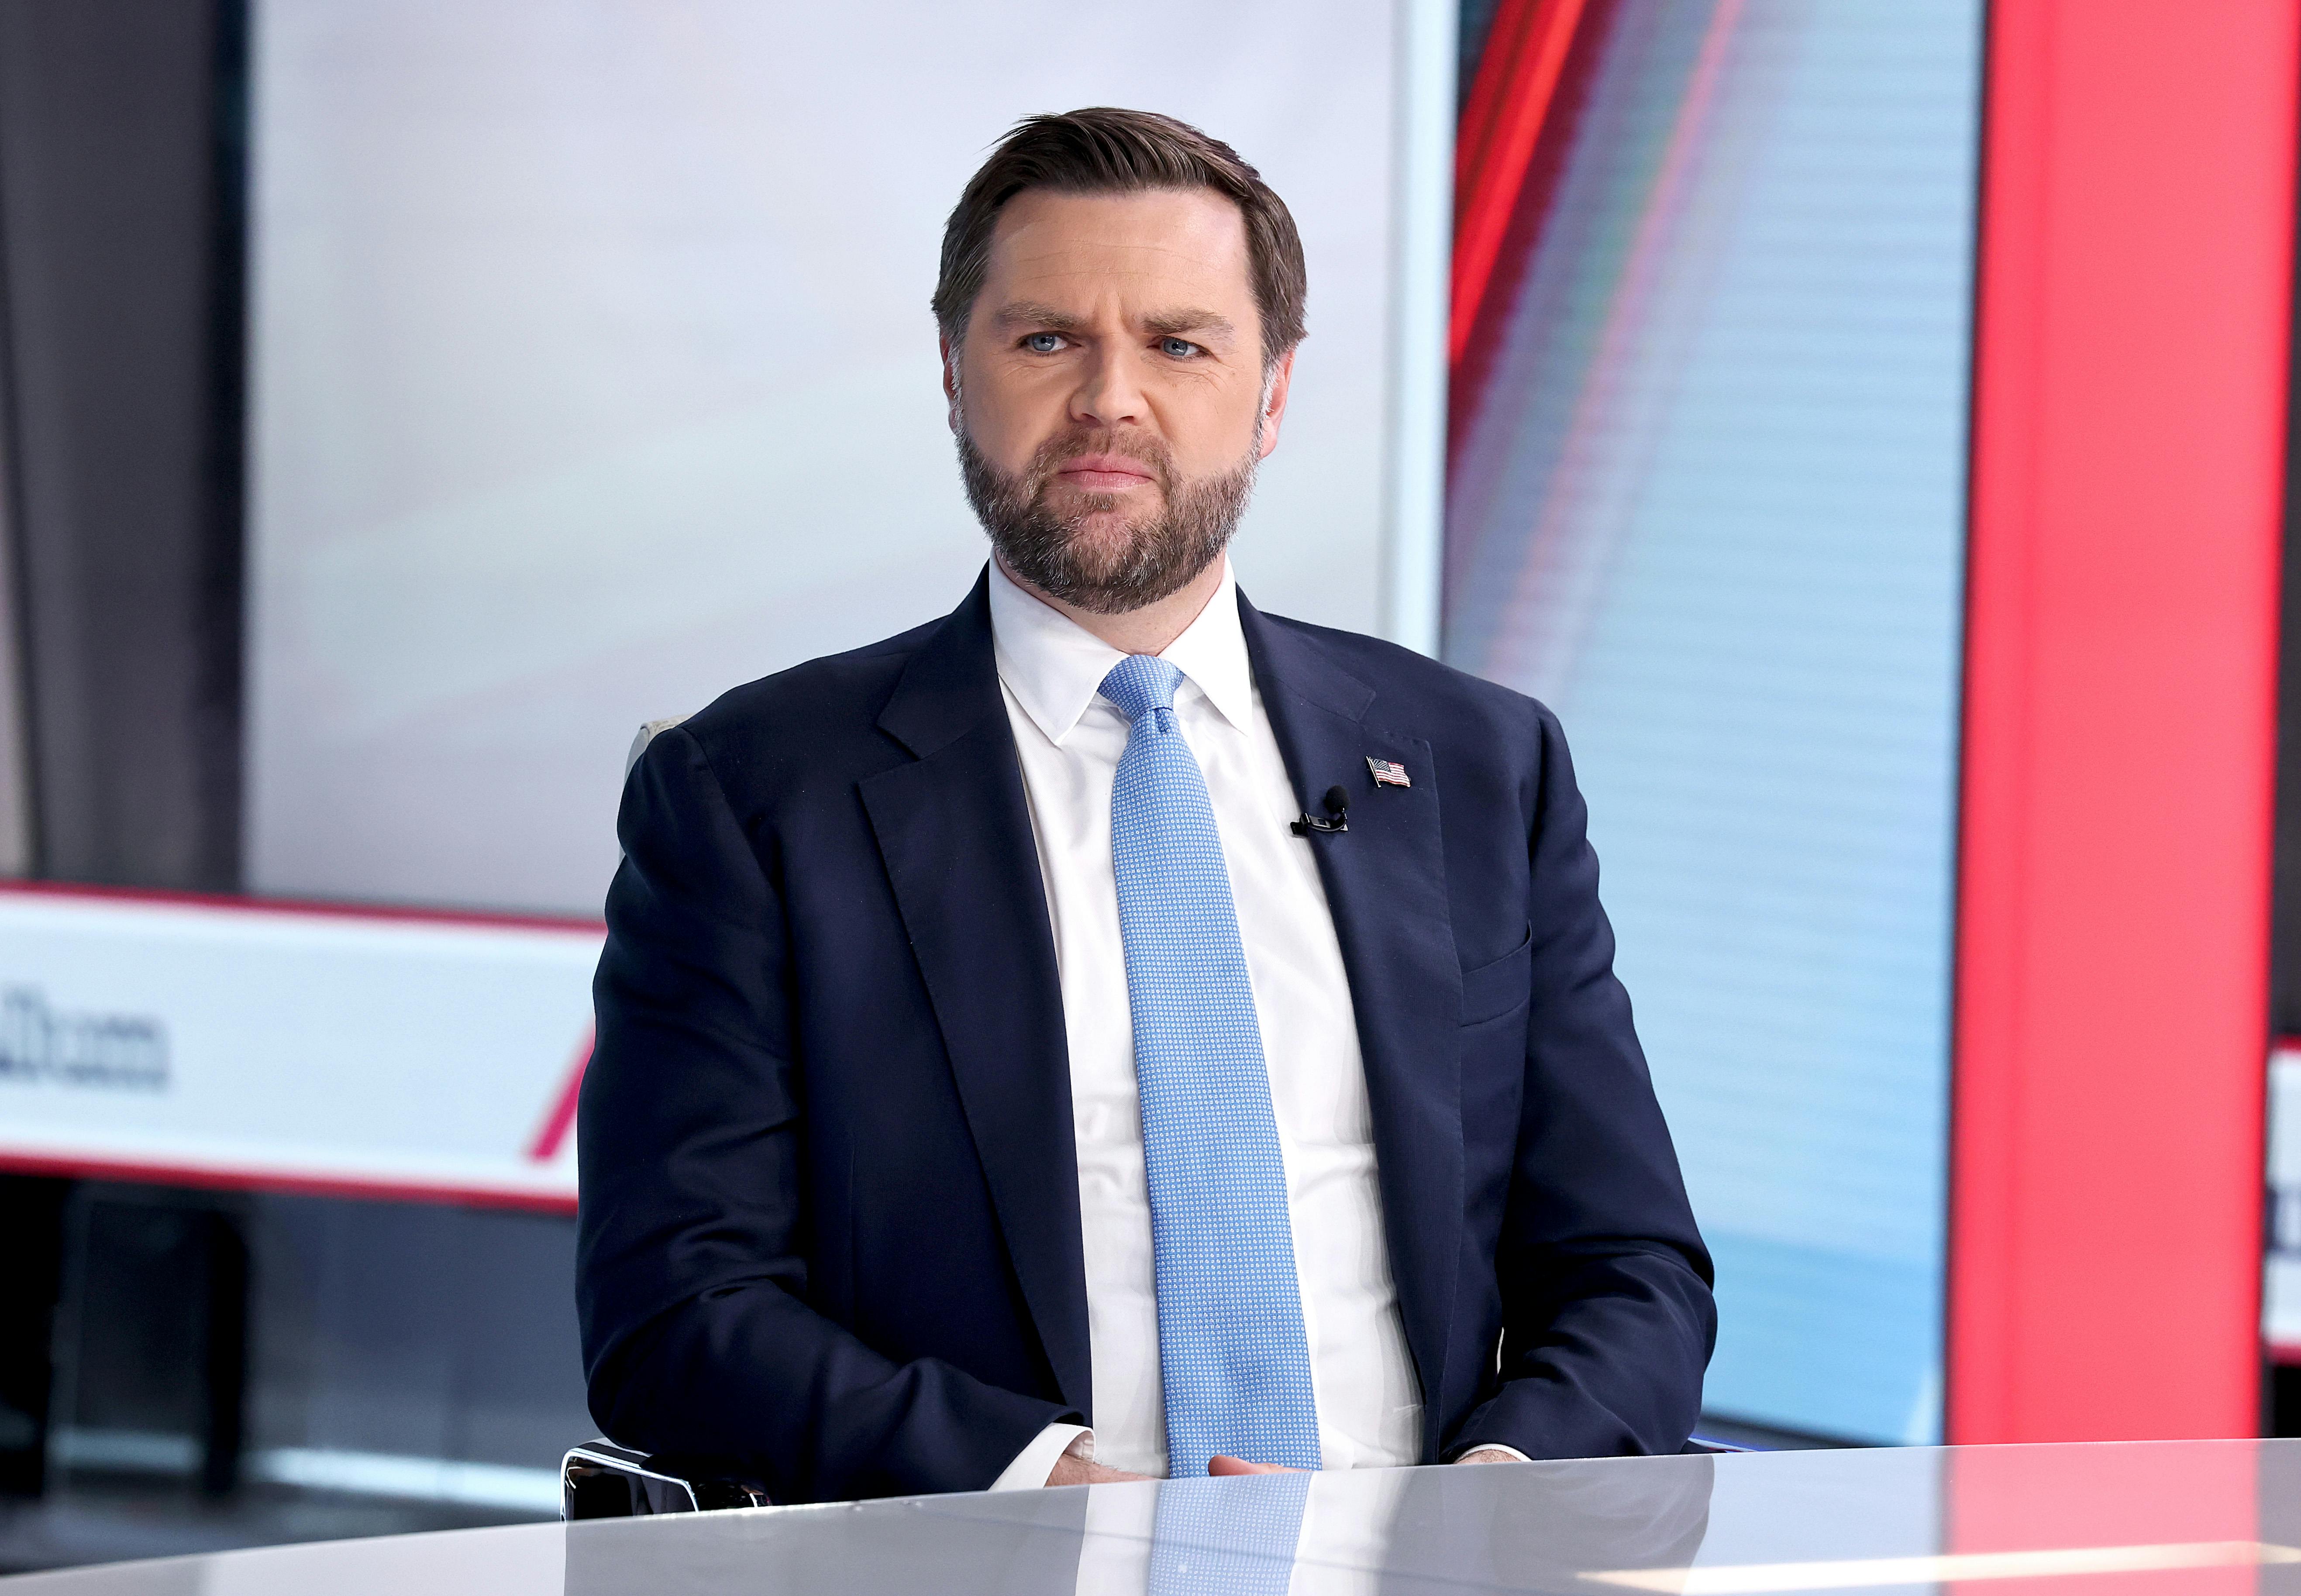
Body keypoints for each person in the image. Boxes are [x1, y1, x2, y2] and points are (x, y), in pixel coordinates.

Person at [576, 107, 1713, 1506]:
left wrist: (1491, 1494)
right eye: (1047, 338)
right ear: (951, 370)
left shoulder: (1484, 767)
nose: (1111, 397)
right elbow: (677, 1318)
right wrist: (1048, 1493)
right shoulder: (750, 797)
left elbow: (1630, 1271)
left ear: (1275, 391)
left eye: (1181, 344)